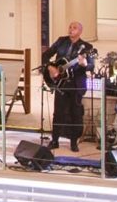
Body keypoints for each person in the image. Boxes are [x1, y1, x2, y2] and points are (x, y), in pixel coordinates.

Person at [40, 20, 95, 149]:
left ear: (80, 31)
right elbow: (45, 55)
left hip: (76, 84)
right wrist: (50, 68)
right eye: (70, 27)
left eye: (74, 28)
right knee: (58, 112)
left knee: (75, 113)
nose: (71, 29)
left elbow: (91, 66)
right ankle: (55, 140)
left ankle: (73, 142)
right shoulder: (61, 41)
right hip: (61, 83)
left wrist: (84, 64)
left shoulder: (87, 47)